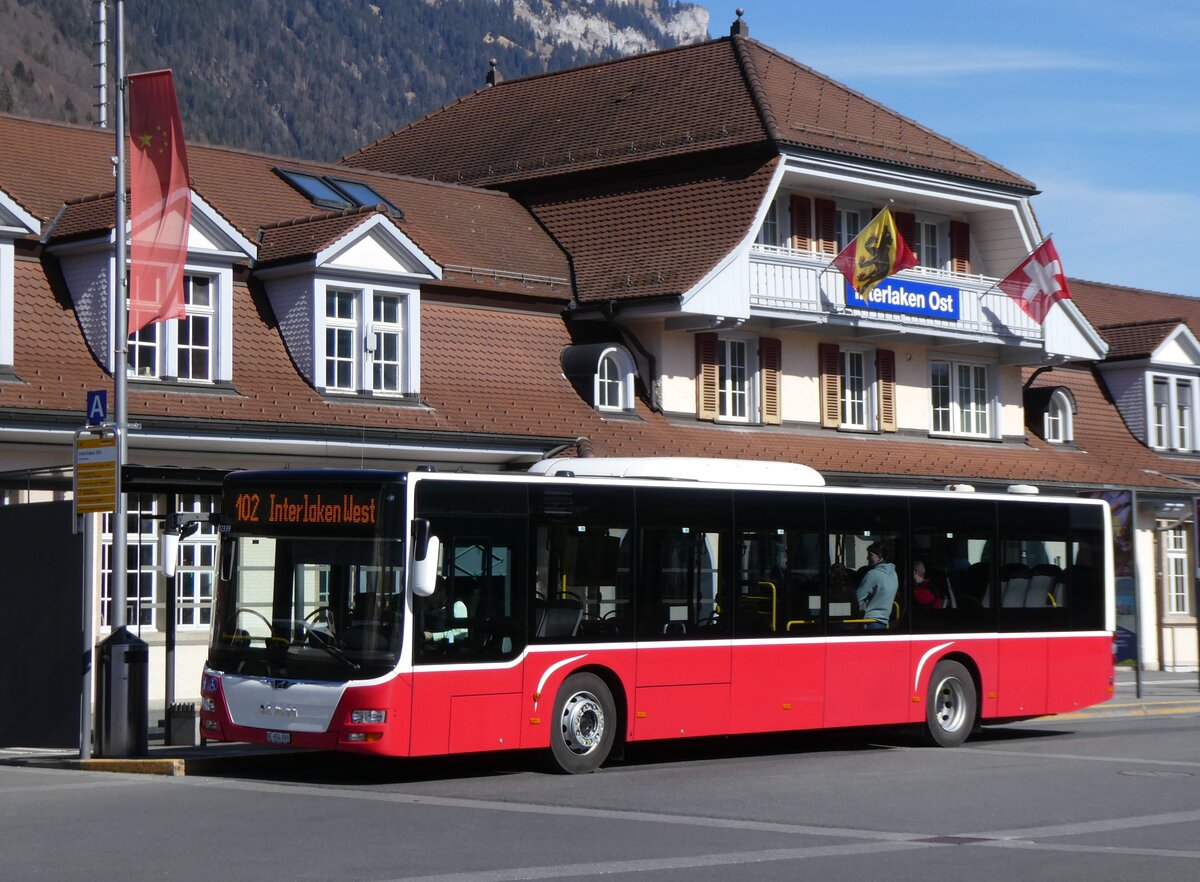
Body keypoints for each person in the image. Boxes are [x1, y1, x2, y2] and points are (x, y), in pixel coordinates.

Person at [856, 542, 898, 628]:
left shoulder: (873, 574)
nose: (867, 558)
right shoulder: (894, 574)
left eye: (870, 555)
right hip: (885, 621)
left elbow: (857, 598)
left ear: (880, 556)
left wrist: (863, 606)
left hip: (870, 620)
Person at [422, 579, 468, 645]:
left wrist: (433, 636)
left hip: (448, 648)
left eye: (432, 593)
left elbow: (461, 634)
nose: (428, 597)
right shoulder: (425, 606)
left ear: (442, 591)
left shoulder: (457, 605)